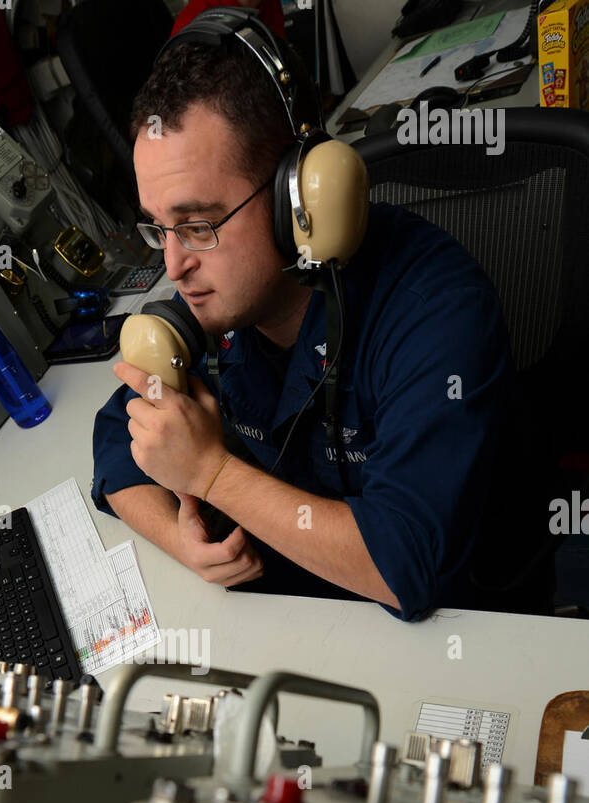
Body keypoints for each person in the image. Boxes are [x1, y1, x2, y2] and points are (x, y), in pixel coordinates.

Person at [91, 23, 515, 622]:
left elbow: (407, 565)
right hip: (299, 620)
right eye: (159, 227)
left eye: (197, 224)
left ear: (298, 202)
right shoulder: (216, 295)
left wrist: (211, 473)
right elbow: (121, 434)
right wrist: (181, 540)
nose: (175, 265)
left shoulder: (435, 307)